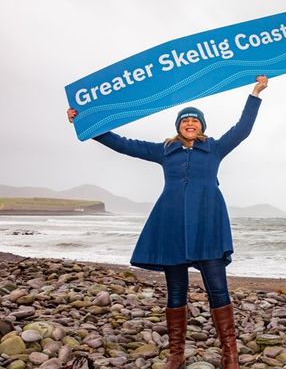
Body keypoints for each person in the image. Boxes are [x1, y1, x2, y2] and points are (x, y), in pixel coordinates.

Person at [67, 76, 269, 369]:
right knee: (176, 290)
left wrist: (256, 92)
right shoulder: (165, 150)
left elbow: (242, 129)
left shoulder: (214, 148)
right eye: (185, 120)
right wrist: (84, 124)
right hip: (171, 226)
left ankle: (230, 354)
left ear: (202, 126)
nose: (190, 123)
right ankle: (176, 354)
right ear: (178, 126)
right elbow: (123, 144)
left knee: (218, 288)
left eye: (195, 120)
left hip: (208, 224)